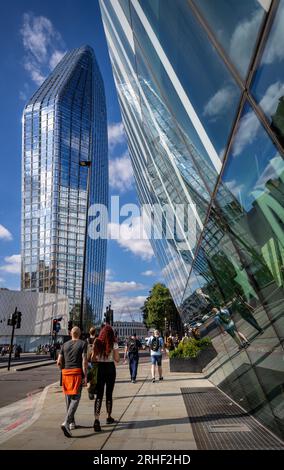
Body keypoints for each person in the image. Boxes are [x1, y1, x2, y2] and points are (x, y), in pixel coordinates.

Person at [57, 326, 87, 438]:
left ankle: (71, 423)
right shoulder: (83, 344)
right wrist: (85, 376)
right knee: (76, 399)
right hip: (77, 373)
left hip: (66, 374)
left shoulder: (64, 345)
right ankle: (66, 422)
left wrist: (63, 370)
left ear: (71, 334)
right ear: (79, 334)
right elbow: (84, 361)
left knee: (68, 399)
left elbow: (58, 362)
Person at [91, 324, 120, 432]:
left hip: (100, 369)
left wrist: (94, 351)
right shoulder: (114, 344)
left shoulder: (97, 342)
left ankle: (96, 420)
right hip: (110, 369)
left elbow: (93, 359)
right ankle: (108, 417)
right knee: (109, 394)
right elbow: (117, 359)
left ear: (102, 333)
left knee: (99, 395)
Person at [86, 326, 98, 400]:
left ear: (89, 332)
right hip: (95, 361)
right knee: (95, 377)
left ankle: (90, 392)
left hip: (88, 361)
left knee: (89, 377)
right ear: (95, 332)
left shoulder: (86, 340)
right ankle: (95, 391)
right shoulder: (97, 340)